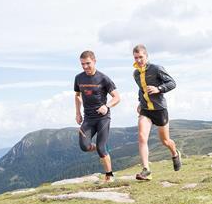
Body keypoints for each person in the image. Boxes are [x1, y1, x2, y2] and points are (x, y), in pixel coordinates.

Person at [132, 44, 181, 180]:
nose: (139, 60)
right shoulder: (136, 73)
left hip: (159, 109)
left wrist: (159, 88)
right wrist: (139, 102)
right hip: (145, 109)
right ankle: (146, 170)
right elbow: (141, 89)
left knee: (165, 141)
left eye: (141, 57)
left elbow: (172, 83)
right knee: (142, 137)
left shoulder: (157, 68)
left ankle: (175, 153)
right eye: (136, 58)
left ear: (146, 56)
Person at [74, 50, 120, 182]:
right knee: (84, 146)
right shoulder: (79, 78)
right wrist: (77, 113)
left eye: (88, 63)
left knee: (101, 147)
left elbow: (117, 97)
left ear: (94, 61)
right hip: (88, 118)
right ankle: (100, 148)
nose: (85, 67)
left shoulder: (103, 78)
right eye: (82, 64)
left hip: (102, 118)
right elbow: (77, 96)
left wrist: (107, 106)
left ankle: (109, 175)